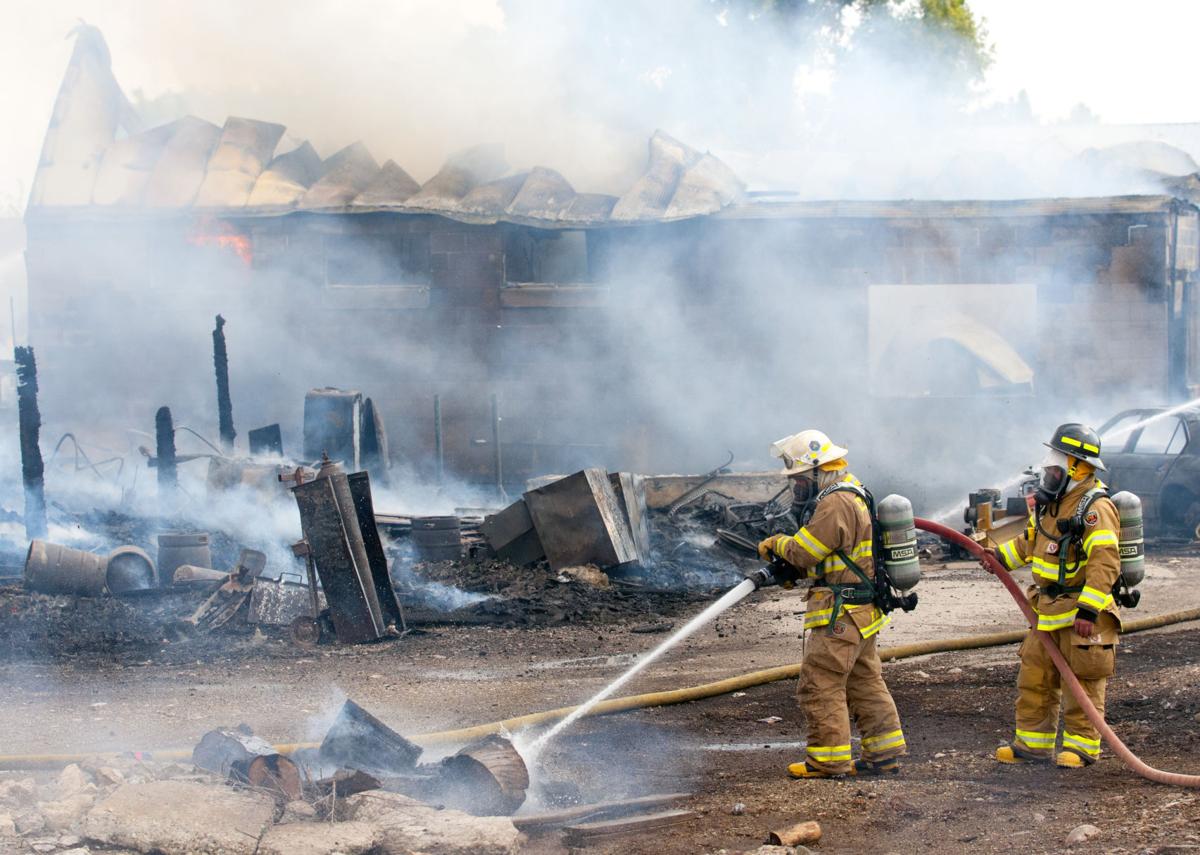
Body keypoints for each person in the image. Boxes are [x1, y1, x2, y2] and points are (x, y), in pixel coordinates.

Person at [757, 429, 906, 779]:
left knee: (819, 683)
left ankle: (828, 760)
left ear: (815, 470)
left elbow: (804, 551)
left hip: (841, 614)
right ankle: (884, 754)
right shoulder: (854, 491)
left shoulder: (834, 502)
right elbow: (834, 555)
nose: (796, 487)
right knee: (864, 682)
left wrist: (776, 544)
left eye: (798, 479)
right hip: (862, 612)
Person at [994, 423, 1122, 768]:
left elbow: (1105, 561)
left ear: (1077, 468)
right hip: (1046, 608)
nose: (1048, 475)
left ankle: (1081, 748)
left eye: (1054, 468)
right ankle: (1032, 746)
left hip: (1079, 610)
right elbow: (1030, 544)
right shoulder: (1052, 504)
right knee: (1035, 676)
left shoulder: (1094, 507)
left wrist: (1089, 610)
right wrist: (996, 557)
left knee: (1083, 683)